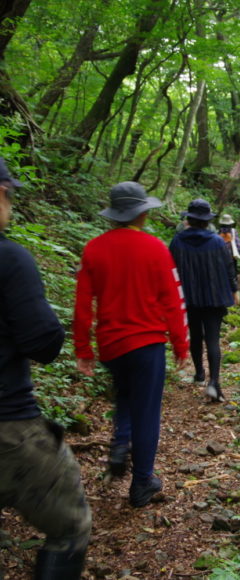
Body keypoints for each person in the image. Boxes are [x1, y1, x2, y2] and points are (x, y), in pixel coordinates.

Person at [0, 158, 91, 578]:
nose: (12, 204)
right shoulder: (10, 260)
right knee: (70, 523)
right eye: (9, 194)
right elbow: (44, 343)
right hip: (8, 422)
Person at [73, 181, 189, 508]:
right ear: (141, 213)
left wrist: (84, 349)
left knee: (125, 394)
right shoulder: (156, 248)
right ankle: (142, 484)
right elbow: (173, 301)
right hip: (148, 344)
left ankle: (121, 443)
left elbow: (82, 304)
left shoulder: (93, 249)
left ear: (113, 215)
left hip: (111, 345)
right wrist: (181, 345)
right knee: (147, 412)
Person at [170, 200, 238, 403]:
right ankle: (214, 383)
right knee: (213, 339)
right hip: (214, 297)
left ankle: (199, 373)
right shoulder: (217, 241)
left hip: (189, 297)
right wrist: (234, 290)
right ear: (207, 220)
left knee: (196, 335)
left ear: (188, 219)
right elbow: (228, 267)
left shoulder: (177, 241)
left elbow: (170, 269)